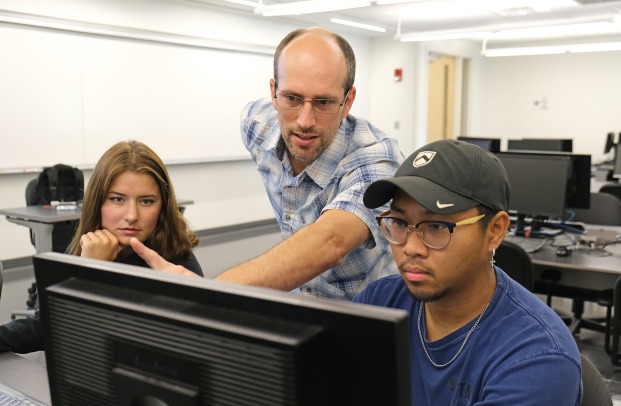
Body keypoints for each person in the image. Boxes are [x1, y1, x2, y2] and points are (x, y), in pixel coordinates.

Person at [132, 27, 403, 300]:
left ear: (347, 102)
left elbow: (330, 242)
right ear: (273, 93)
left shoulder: (377, 159)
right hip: (301, 301)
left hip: (370, 310)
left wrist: (207, 293)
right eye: (292, 98)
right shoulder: (256, 125)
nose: (305, 121)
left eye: (323, 102)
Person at [354, 139, 582, 405]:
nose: (411, 248)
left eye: (437, 226)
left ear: (495, 231)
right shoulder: (380, 302)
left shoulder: (537, 357)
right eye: (399, 223)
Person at [0, 140, 203, 354]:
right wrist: (87, 266)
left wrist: (90, 274)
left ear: (162, 207)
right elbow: (45, 328)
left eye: (146, 201)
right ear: (97, 203)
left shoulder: (177, 264)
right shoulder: (86, 249)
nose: (132, 216)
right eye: (117, 199)